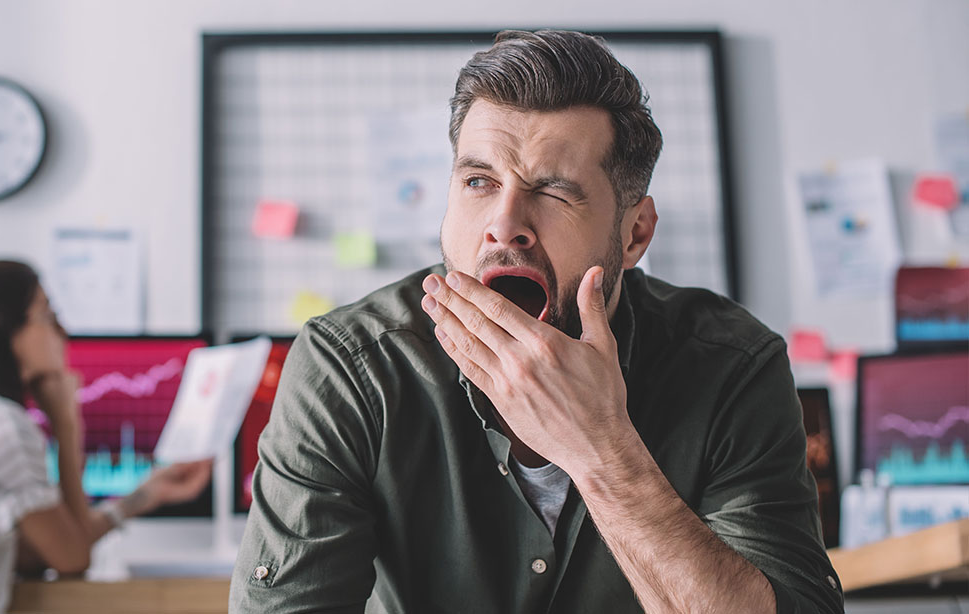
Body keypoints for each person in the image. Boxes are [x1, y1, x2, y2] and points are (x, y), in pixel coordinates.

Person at [230, 29, 845, 613]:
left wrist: (602, 449)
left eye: (553, 192)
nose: (504, 226)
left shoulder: (732, 366)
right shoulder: (350, 367)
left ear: (635, 233)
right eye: (478, 181)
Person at [0, 260, 212, 613]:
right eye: (47, 315)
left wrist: (145, 496)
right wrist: (66, 426)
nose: (62, 331)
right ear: (4, 332)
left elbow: (37, 553)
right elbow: (72, 557)